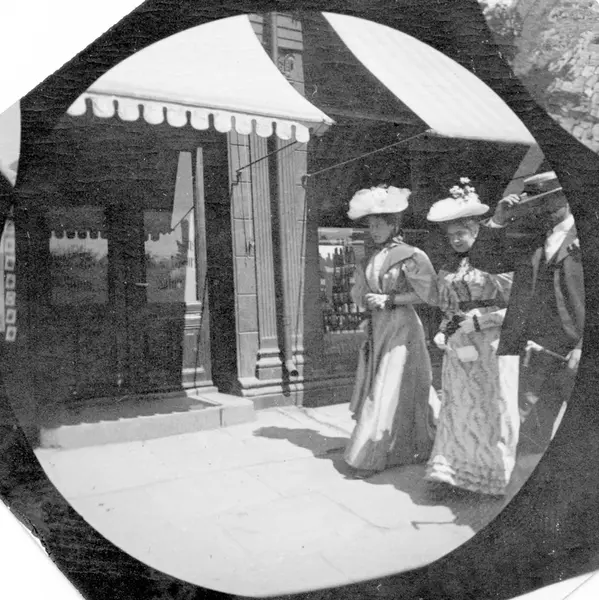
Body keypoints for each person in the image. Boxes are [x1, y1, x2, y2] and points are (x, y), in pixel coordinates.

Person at [468, 171, 584, 454]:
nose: (541, 210)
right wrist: (498, 220)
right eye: (535, 203)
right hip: (538, 349)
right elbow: (483, 260)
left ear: (565, 198)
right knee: (530, 432)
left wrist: (583, 346)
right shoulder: (529, 239)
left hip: (578, 348)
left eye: (548, 202)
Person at [424, 178, 519, 496]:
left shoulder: (496, 264)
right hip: (461, 346)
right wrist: (443, 331)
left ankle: (490, 476)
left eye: (461, 234)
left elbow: (520, 307)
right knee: (458, 405)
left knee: (492, 406)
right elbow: (449, 310)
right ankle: (454, 473)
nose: (455, 240)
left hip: (492, 343)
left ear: (477, 231)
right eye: (451, 235)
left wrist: (481, 322)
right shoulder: (450, 269)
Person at [344, 185, 439, 479]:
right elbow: (360, 294)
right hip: (380, 326)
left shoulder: (411, 255)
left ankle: (369, 455)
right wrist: (368, 301)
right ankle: (403, 446)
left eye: (379, 224)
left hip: (402, 326)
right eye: (370, 225)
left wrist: (390, 299)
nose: (373, 230)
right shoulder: (369, 257)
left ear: (393, 224)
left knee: (387, 385)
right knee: (391, 383)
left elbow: (429, 294)